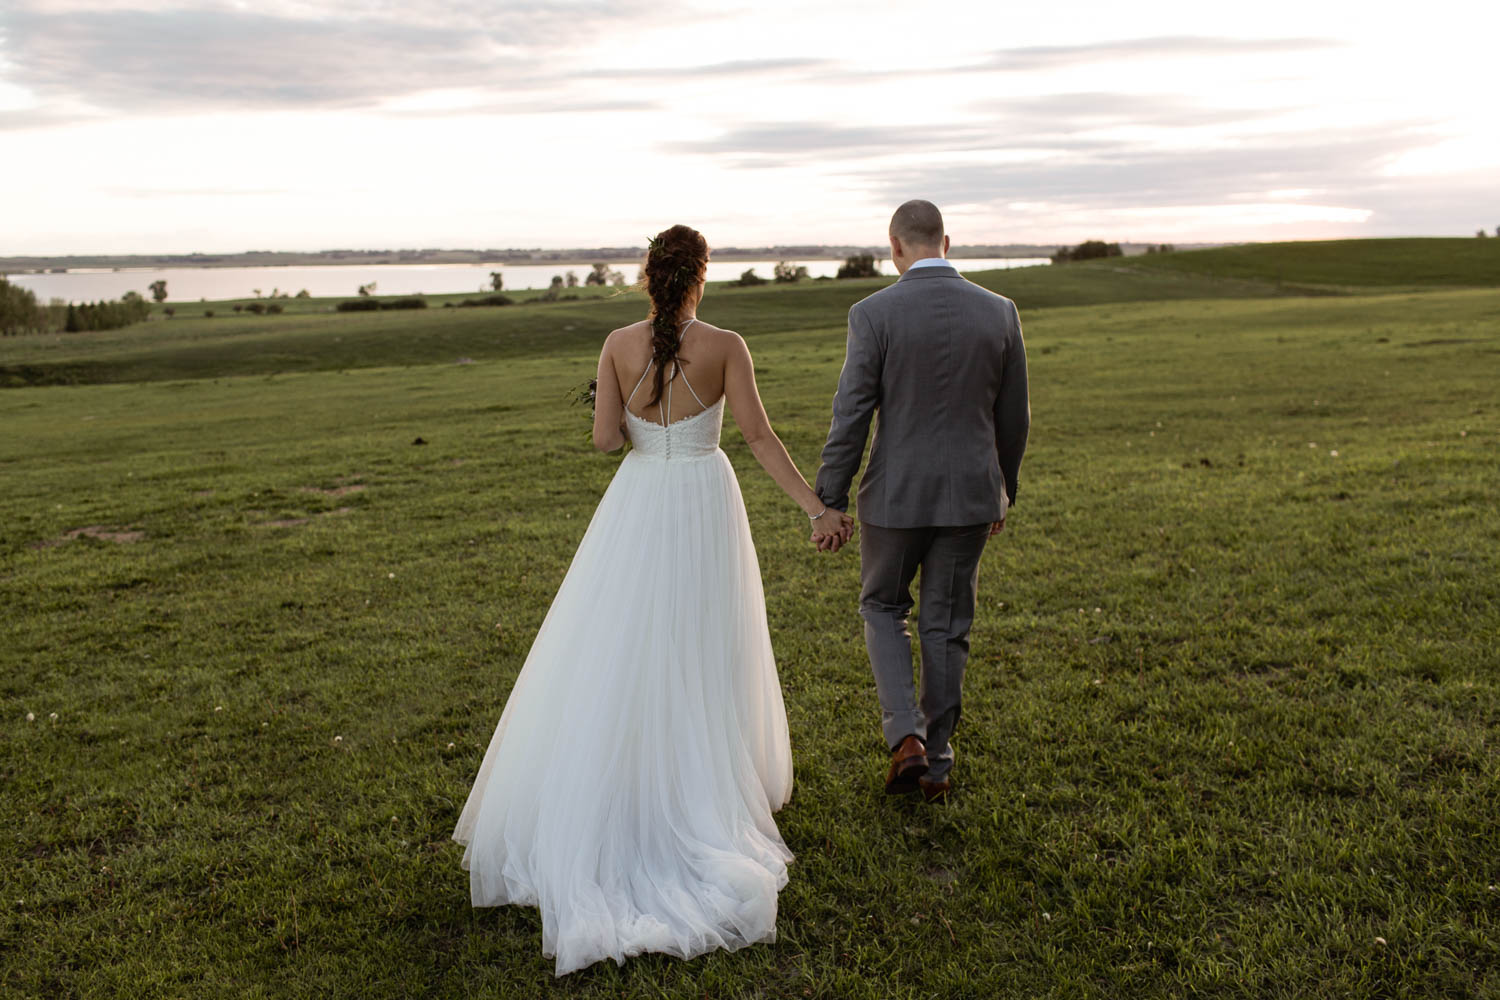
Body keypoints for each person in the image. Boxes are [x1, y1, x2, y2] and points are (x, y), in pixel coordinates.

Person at [452, 224, 854, 976]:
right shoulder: (728, 344)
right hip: (703, 497)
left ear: (648, 277)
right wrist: (815, 507)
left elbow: (606, 441)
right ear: (699, 276)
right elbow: (760, 438)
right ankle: (697, 785)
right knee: (701, 642)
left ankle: (631, 781)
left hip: (638, 502)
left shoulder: (614, 343)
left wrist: (634, 414)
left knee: (622, 641)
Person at [814, 199, 1030, 803]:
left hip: (894, 496)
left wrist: (828, 498)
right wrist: (1001, 490)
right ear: (947, 242)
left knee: (883, 607)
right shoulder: (1000, 312)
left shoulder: (873, 313)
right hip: (970, 496)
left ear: (895, 247)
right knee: (946, 625)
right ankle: (936, 764)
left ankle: (904, 736)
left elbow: (852, 414)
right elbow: (1014, 419)